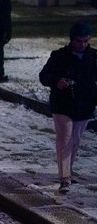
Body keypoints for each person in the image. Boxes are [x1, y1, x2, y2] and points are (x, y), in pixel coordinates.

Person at [38, 23, 96, 193]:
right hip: (63, 104)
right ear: (72, 40)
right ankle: (64, 177)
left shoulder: (93, 57)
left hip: (84, 104)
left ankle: (68, 171)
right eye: (79, 41)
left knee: (75, 140)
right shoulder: (59, 56)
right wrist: (57, 81)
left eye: (86, 41)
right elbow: (44, 76)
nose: (82, 45)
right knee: (65, 139)